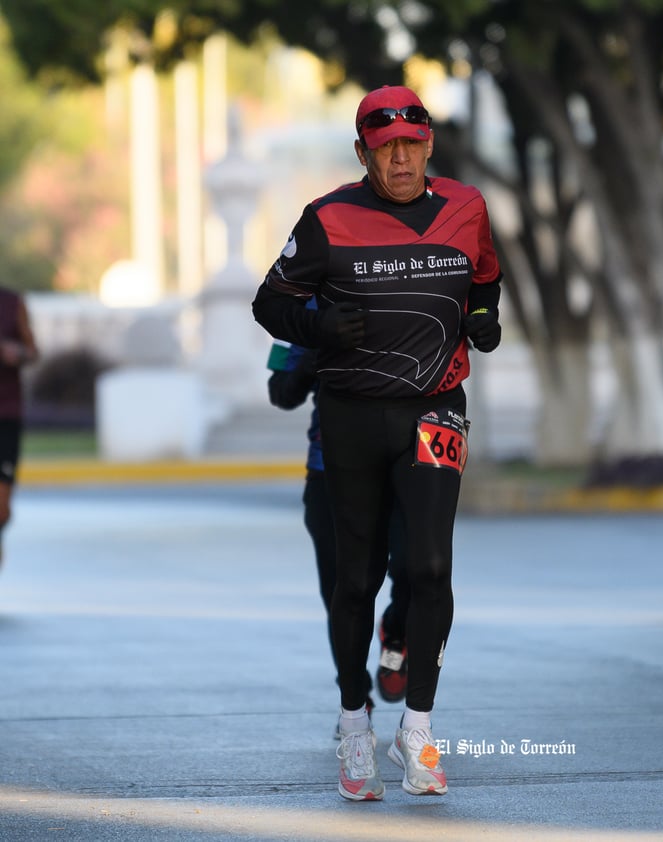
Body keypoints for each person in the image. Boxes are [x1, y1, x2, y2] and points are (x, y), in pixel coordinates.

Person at [252, 84, 503, 801]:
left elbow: (486, 277)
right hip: (351, 415)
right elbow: (270, 302)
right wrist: (317, 330)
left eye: (412, 145)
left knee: (428, 566)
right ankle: (354, 721)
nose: (400, 158)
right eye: (385, 146)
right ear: (363, 152)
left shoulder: (467, 208)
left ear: (429, 147)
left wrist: (484, 318)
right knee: (354, 578)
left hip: (434, 411)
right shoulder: (328, 217)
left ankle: (417, 730)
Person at [265, 331, 412, 734]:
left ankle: (396, 634)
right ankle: (355, 695)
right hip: (329, 477)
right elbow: (280, 391)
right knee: (341, 592)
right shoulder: (304, 309)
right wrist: (314, 351)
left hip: (400, 471)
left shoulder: (401, 290)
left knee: (415, 568)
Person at [0, 287, 39, 567]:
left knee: (1, 508)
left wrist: (19, 353)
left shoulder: (13, 303)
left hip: (6, 413)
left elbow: (34, 352)